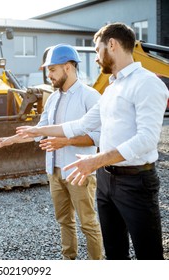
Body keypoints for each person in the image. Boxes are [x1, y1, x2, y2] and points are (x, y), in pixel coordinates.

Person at [16, 23, 169, 260]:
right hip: (107, 180)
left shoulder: (147, 83)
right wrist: (36, 130)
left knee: (149, 256)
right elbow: (81, 124)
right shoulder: (112, 88)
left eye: (97, 51)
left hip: (136, 182)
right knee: (115, 252)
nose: (96, 58)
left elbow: (147, 140)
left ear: (112, 45)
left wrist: (95, 160)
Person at [0, 44, 103, 260]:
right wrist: (10, 140)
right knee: (64, 221)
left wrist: (64, 142)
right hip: (54, 172)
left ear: (68, 67)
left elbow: (98, 138)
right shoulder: (52, 98)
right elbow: (39, 130)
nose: (48, 75)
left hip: (79, 172)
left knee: (88, 223)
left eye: (52, 69)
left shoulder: (90, 96)